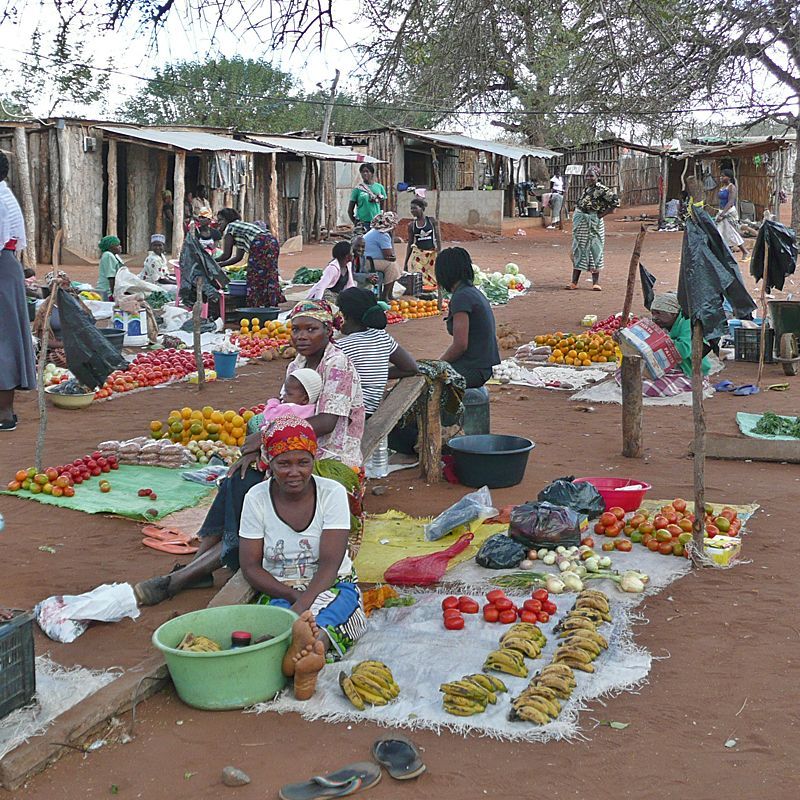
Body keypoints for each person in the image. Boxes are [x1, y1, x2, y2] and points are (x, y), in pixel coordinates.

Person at [134, 299, 365, 606]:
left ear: (329, 331)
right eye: (296, 329)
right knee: (236, 477)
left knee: (249, 486)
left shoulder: (337, 364)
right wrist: (258, 448)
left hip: (329, 455)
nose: (302, 336)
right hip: (290, 448)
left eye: (311, 329)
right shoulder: (297, 363)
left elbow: (326, 422)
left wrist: (265, 438)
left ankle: (184, 577)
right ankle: (197, 567)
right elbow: (285, 412)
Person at [239, 416, 367, 699]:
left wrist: (303, 604)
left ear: (313, 460)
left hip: (330, 583)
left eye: (303, 462)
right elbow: (249, 565)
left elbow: (331, 563)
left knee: (336, 610)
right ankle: (308, 654)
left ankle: (307, 650)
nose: (294, 472)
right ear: (269, 463)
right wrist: (292, 599)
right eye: (283, 464)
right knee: (274, 615)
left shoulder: (331, 493)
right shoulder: (256, 498)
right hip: (278, 587)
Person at [336, 287, 418, 414]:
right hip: (371, 408)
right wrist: (377, 375)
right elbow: (411, 368)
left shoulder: (342, 346)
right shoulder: (381, 336)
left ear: (345, 316)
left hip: (352, 413)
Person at [0, 152, 36, 432]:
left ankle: (5, 413)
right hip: (7, 267)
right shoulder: (5, 195)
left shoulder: (0, 200)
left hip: (2, 268)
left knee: (5, 342)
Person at [619, 292, 712, 398]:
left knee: (645, 387)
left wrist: (657, 342)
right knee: (623, 373)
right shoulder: (664, 324)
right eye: (653, 313)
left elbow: (683, 350)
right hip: (670, 368)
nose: (654, 317)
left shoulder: (687, 323)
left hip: (690, 371)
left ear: (673, 313)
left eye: (659, 313)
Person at [435, 247, 500, 388]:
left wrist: (438, 364)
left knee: (428, 382)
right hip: (480, 365)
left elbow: (460, 345)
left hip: (474, 369)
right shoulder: (471, 292)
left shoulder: (461, 297)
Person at [216, 208, 285, 308]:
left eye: (220, 220)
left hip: (260, 244)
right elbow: (238, 258)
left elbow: (226, 255)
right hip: (272, 242)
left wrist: (213, 261)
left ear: (227, 220)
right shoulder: (240, 227)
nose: (219, 223)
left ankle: (255, 306)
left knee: (254, 276)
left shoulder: (230, 228)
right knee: (270, 274)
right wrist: (221, 265)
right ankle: (271, 304)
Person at [568, 166, 619, 291]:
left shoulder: (602, 190)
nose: (589, 178)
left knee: (594, 250)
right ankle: (574, 282)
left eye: (591, 176)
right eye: (587, 176)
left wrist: (601, 215)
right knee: (579, 249)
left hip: (593, 222)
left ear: (597, 177)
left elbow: (615, 202)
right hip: (582, 222)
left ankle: (595, 283)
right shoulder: (588, 189)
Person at [403, 196, 441, 288]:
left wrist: (440, 254)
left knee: (433, 278)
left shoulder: (432, 221)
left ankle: (432, 293)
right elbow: (410, 244)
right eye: (411, 208)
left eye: (415, 208)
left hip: (431, 254)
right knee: (419, 277)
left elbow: (438, 238)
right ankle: (422, 294)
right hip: (419, 255)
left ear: (422, 209)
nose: (412, 210)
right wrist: (405, 262)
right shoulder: (411, 225)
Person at [364, 212, 401, 302]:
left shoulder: (375, 231)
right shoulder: (383, 235)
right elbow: (388, 255)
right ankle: (385, 296)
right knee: (392, 266)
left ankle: (389, 294)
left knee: (395, 266)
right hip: (368, 262)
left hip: (367, 260)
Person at [716, 169, 748, 260]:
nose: (721, 177)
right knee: (720, 233)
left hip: (729, 212)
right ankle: (725, 253)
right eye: (721, 176)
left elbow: (730, 202)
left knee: (731, 233)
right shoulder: (722, 188)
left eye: (723, 176)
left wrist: (722, 214)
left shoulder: (731, 187)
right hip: (722, 211)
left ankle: (745, 251)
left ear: (729, 177)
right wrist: (720, 212)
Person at [347, 163, 386, 232]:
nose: (365, 174)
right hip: (363, 222)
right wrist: (355, 221)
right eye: (363, 172)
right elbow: (350, 210)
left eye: (367, 171)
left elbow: (382, 205)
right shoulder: (357, 189)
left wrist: (380, 217)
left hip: (376, 223)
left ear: (372, 173)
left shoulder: (379, 187)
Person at [97, 235, 124, 300]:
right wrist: (114, 295)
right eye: (117, 245)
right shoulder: (108, 255)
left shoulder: (115, 256)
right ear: (110, 248)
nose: (120, 247)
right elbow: (111, 277)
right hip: (107, 291)